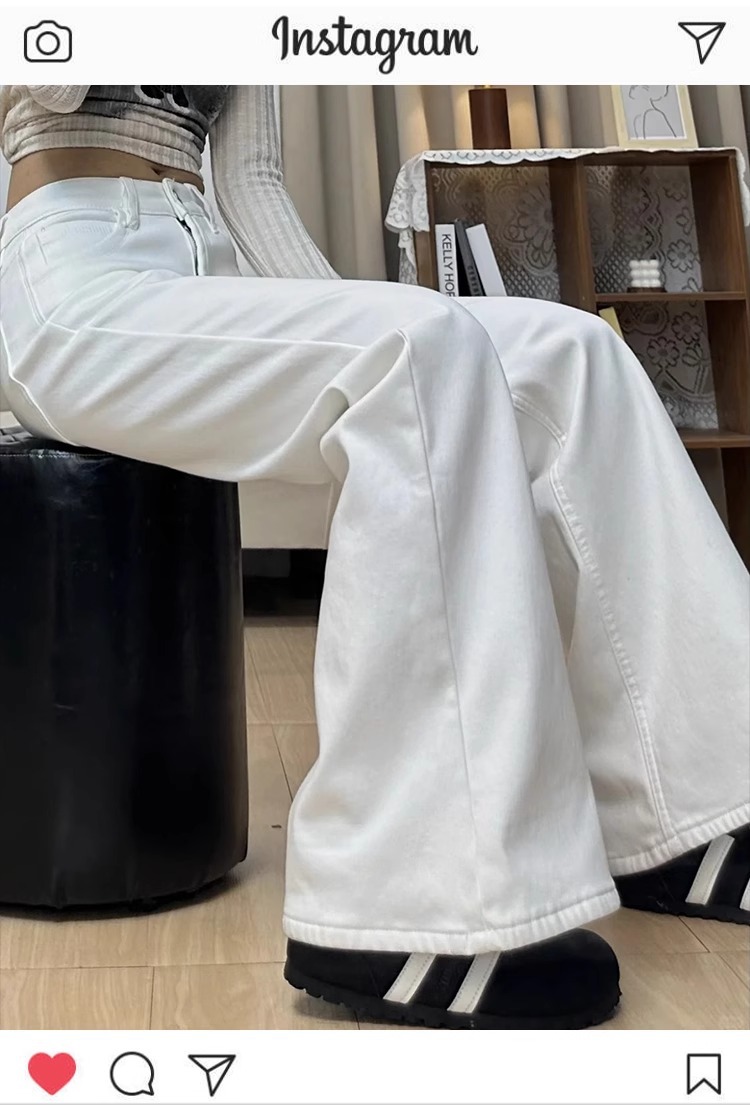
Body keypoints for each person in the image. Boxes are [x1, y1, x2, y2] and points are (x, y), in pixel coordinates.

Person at [0, 84, 747, 1030]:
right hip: (69, 278)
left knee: (566, 351)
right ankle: (410, 904)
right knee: (420, 350)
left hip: (199, 265)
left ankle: (692, 816)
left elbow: (251, 182)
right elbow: (48, 87)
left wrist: (372, 314)